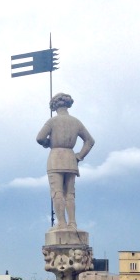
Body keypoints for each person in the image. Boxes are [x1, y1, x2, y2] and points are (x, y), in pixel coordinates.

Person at [36, 92, 95, 229]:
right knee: (70, 193)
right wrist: (79, 155)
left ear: (54, 106)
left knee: (57, 192)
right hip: (70, 158)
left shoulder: (52, 121)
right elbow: (90, 141)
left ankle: (62, 223)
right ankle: (72, 222)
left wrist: (48, 142)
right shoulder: (76, 122)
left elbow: (39, 138)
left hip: (56, 157)